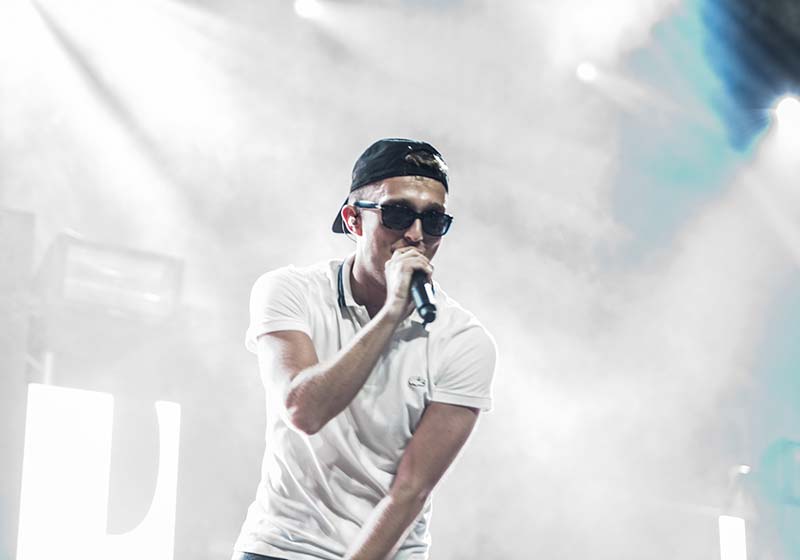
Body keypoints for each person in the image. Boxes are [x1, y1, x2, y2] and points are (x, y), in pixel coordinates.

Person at [231, 138, 496, 560]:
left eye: (433, 220)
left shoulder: (464, 340)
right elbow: (304, 410)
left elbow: (411, 489)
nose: (415, 234)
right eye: (397, 213)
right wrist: (391, 315)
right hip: (281, 547)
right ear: (354, 220)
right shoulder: (289, 291)